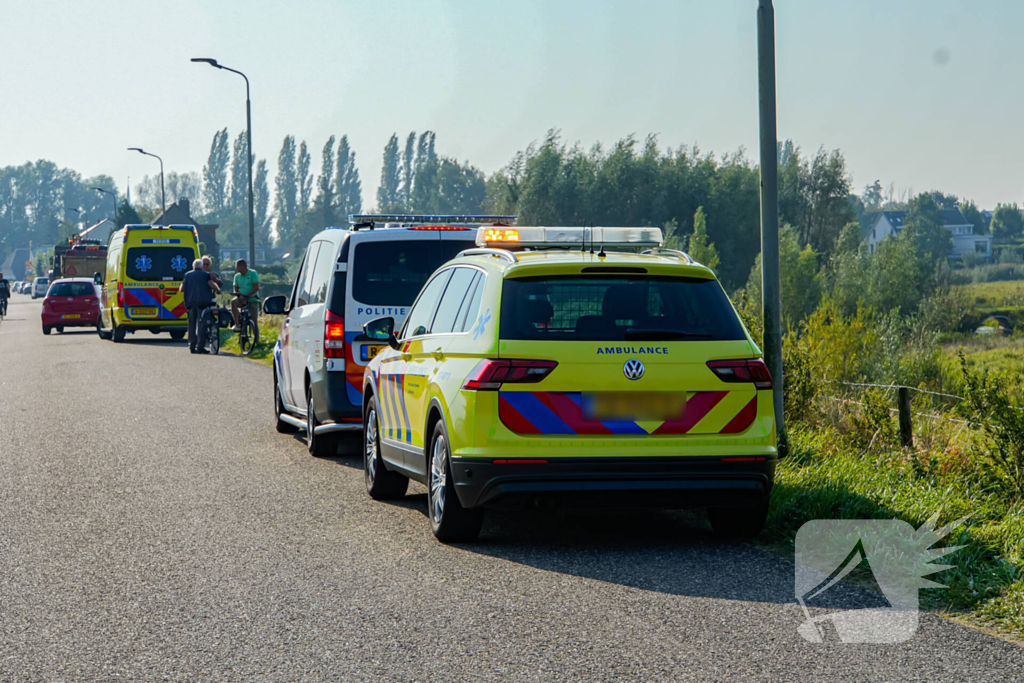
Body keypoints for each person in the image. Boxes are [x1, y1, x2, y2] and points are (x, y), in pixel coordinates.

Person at [181, 259, 216, 354]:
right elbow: (211, 284)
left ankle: (192, 345)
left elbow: (181, 289)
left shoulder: (187, 275)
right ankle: (200, 346)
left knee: (191, 325)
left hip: (191, 303)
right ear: (201, 266)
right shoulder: (206, 274)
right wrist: (218, 289)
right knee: (201, 325)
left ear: (193, 266)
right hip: (202, 303)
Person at [230, 259, 260, 334]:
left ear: (243, 266)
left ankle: (257, 339)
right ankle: (237, 324)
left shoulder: (253, 273)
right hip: (241, 299)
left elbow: (256, 287)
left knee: (254, 321)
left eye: (238, 266)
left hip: (252, 299)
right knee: (233, 302)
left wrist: (246, 295)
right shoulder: (237, 276)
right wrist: (239, 296)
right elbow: (236, 289)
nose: (236, 268)